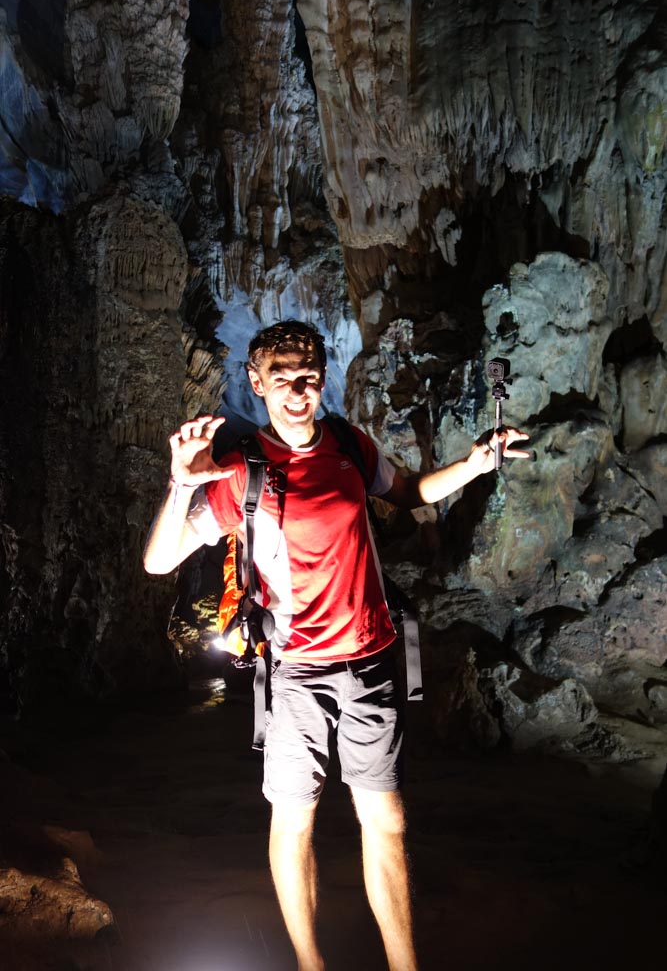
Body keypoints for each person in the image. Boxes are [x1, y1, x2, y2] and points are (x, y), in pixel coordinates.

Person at [144, 320, 531, 971]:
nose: (299, 390)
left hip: (371, 659)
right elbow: (159, 562)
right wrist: (182, 483)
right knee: (295, 822)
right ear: (257, 381)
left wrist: (474, 461)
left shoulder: (351, 445)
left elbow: (406, 493)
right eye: (283, 377)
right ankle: (309, 963)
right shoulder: (240, 473)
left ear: (322, 377)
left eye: (310, 376)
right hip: (295, 673)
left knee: (386, 822)